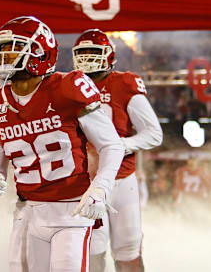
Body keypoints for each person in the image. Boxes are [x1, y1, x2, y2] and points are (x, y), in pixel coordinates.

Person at [0, 16, 124, 272]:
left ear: (38, 52)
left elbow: (112, 145)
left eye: (12, 49)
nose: (3, 57)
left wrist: (100, 189)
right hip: (27, 211)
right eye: (1, 50)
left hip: (72, 210)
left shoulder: (67, 88)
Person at [72, 29, 163, 272]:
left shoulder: (123, 83)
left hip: (121, 180)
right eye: (83, 53)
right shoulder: (69, 85)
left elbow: (154, 133)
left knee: (127, 247)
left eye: (94, 52)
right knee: (92, 250)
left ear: (109, 56)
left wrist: (122, 145)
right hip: (88, 182)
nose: (88, 58)